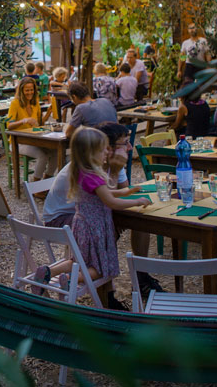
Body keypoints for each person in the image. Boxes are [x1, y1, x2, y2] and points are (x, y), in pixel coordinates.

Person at [31, 127, 150, 309]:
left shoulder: (83, 171)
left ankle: (46, 272)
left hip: (82, 224)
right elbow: (110, 201)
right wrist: (136, 202)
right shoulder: (94, 176)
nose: (107, 152)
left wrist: (127, 191)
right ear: (92, 153)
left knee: (78, 261)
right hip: (93, 227)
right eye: (104, 149)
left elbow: (105, 193)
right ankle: (71, 280)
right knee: (100, 268)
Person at [6, 77, 57, 184]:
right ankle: (36, 186)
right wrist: (24, 121)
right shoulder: (15, 103)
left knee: (55, 152)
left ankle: (46, 182)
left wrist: (48, 113)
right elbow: (9, 126)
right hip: (18, 142)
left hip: (34, 140)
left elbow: (39, 124)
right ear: (21, 91)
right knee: (42, 156)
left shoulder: (35, 103)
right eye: (27, 90)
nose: (30, 92)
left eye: (32, 89)